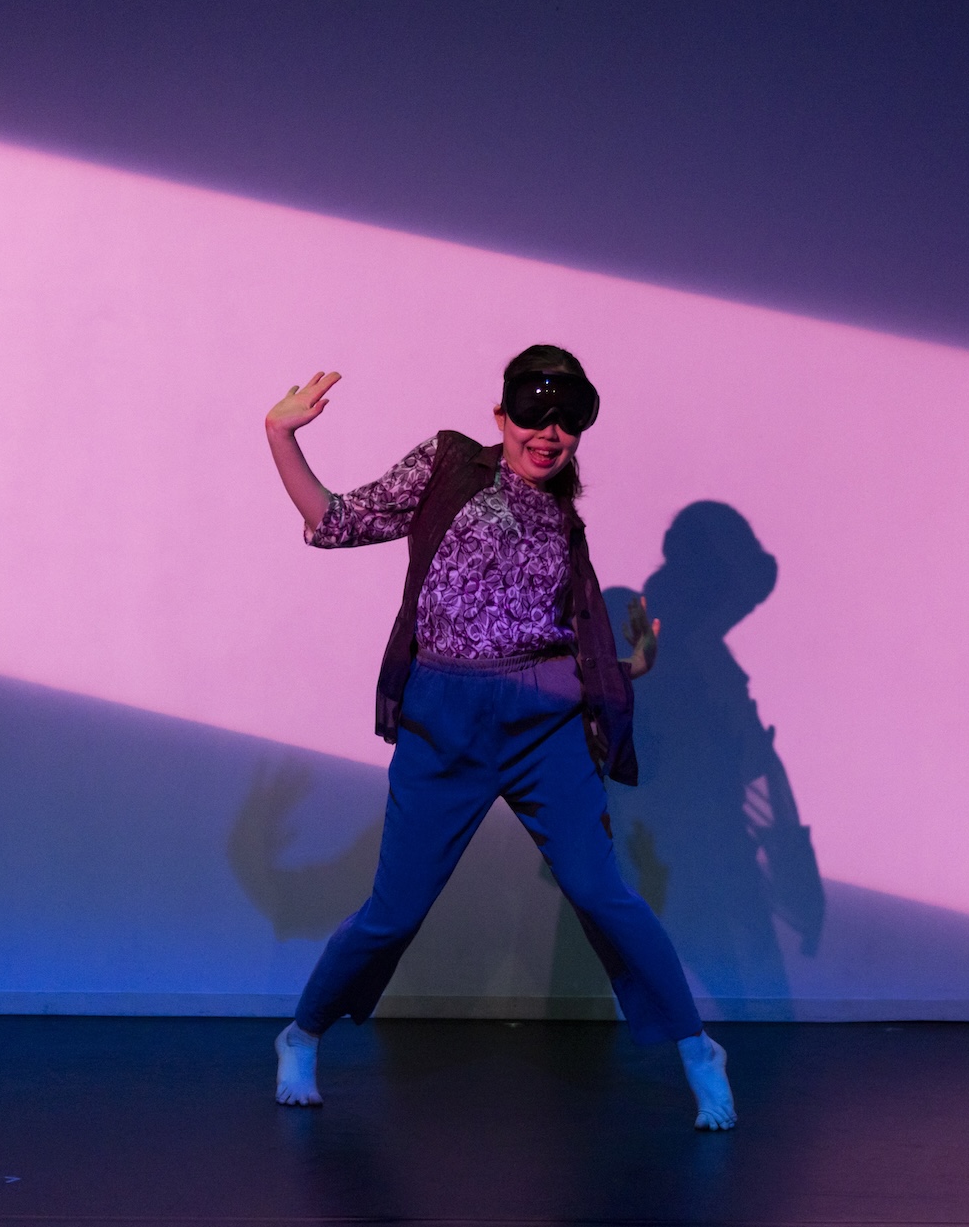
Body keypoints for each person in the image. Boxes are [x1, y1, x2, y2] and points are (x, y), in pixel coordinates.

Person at [261, 344, 736, 1130]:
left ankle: (697, 1047)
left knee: (602, 892)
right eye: (532, 413)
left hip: (543, 731)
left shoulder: (564, 522)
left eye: (567, 420)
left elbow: (567, 643)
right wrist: (281, 435)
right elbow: (333, 520)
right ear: (500, 415)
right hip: (443, 724)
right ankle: (301, 1032)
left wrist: (633, 664)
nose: (548, 432)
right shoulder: (449, 466)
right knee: (394, 912)